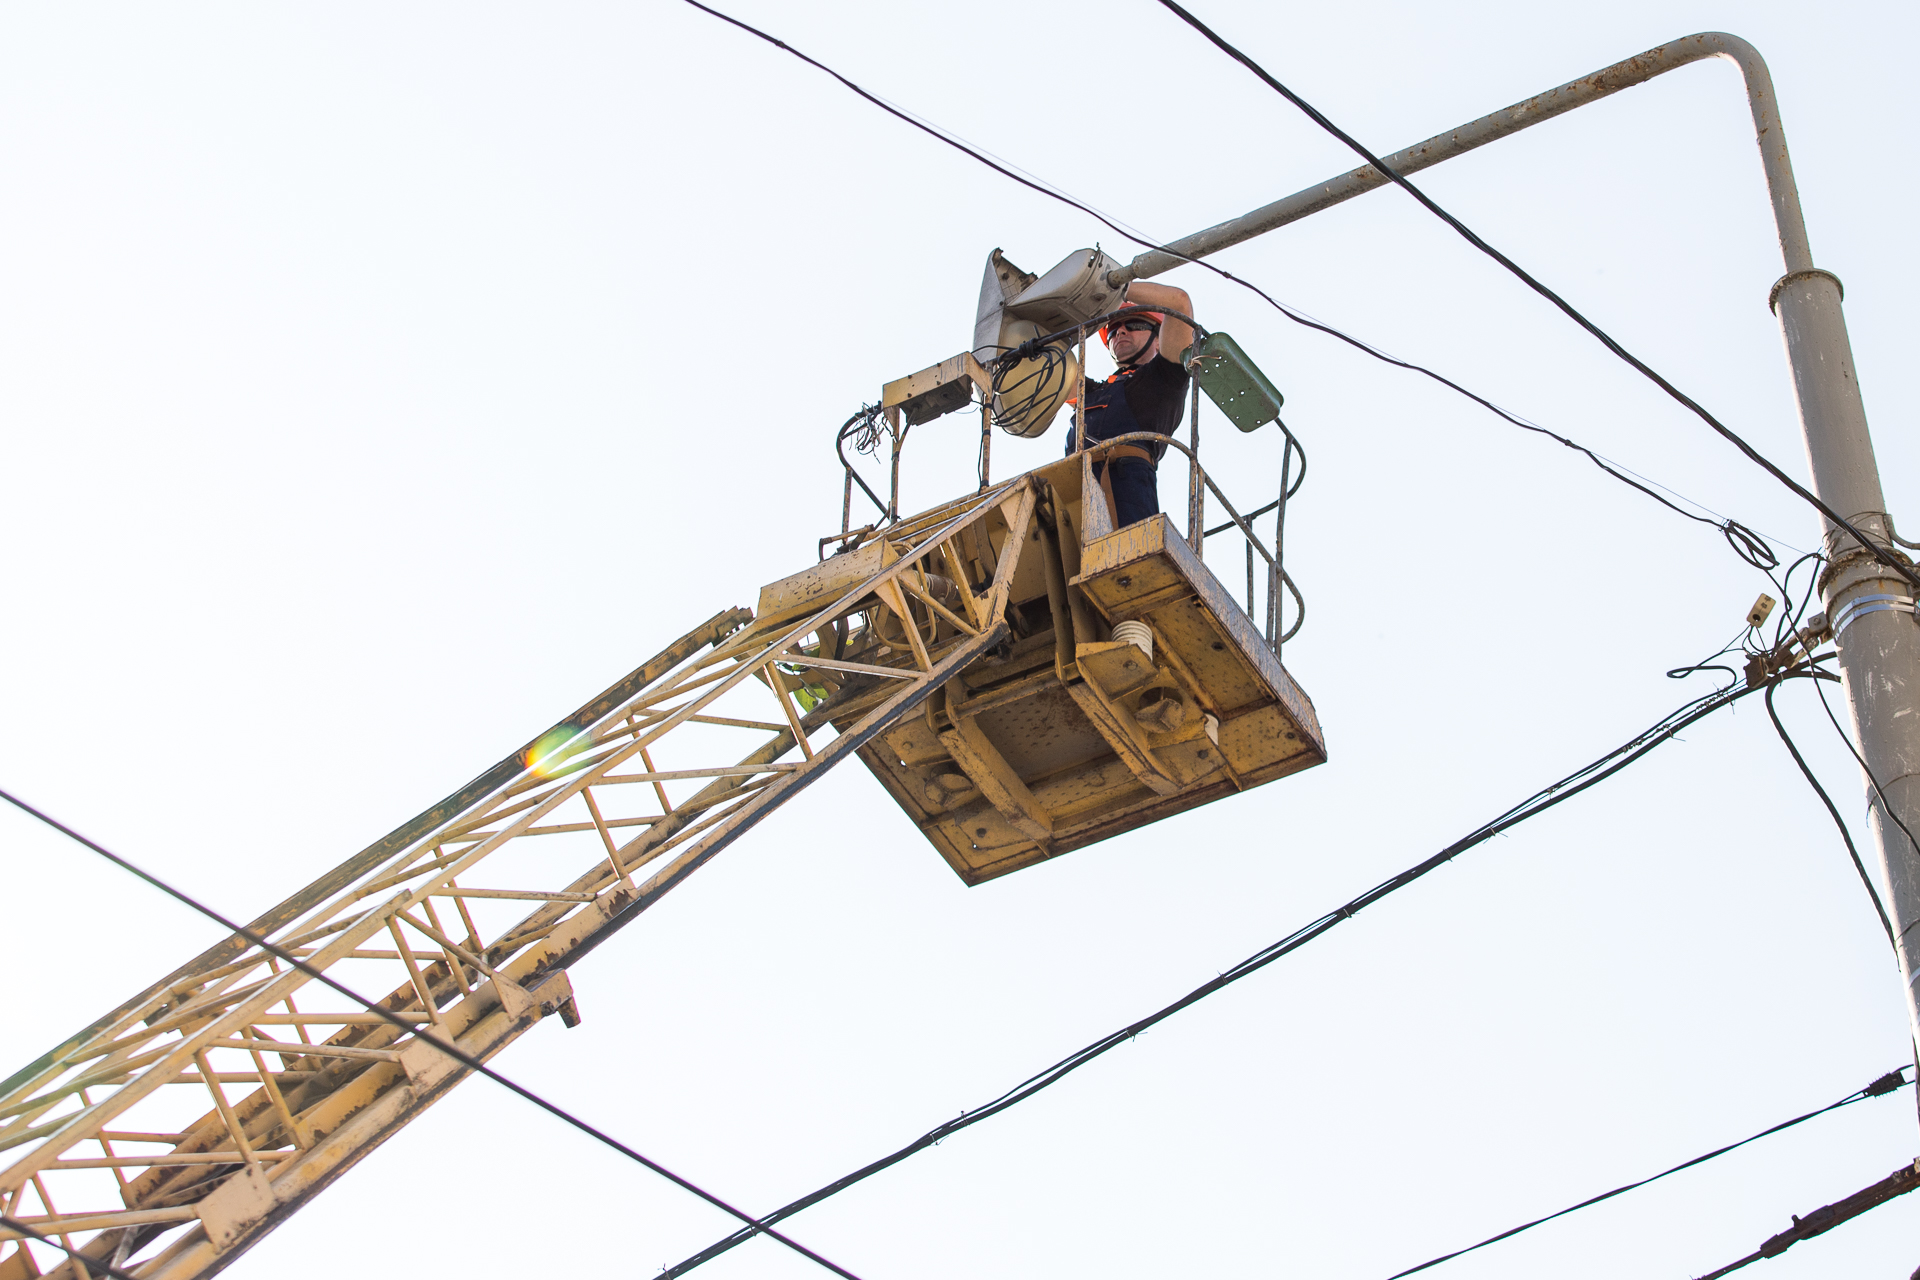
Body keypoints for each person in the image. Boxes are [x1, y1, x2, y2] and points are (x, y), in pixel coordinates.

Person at [1066, 283, 1195, 529]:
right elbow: (1048, 370)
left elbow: (1179, 303)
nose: (1121, 332)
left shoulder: (1166, 378)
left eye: (1134, 325)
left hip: (1128, 498)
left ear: (1159, 341)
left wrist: (1109, 286)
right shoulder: (1092, 392)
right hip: (1073, 495)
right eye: (1113, 330)